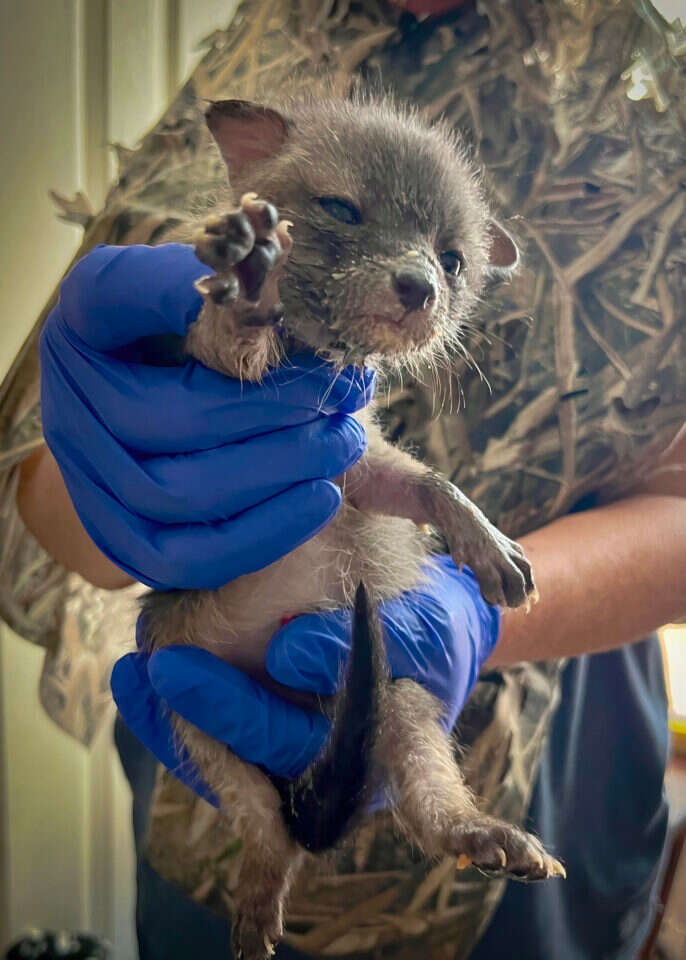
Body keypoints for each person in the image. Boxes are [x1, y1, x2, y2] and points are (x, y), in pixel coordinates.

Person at [3, 1, 685, 958]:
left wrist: (474, 609)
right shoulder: (262, 47)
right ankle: (265, 857)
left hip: (545, 796)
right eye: (342, 212)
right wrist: (106, 473)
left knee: (412, 735)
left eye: (451, 262)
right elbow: (34, 492)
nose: (420, 277)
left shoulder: (655, 85)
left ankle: (451, 819)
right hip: (197, 816)